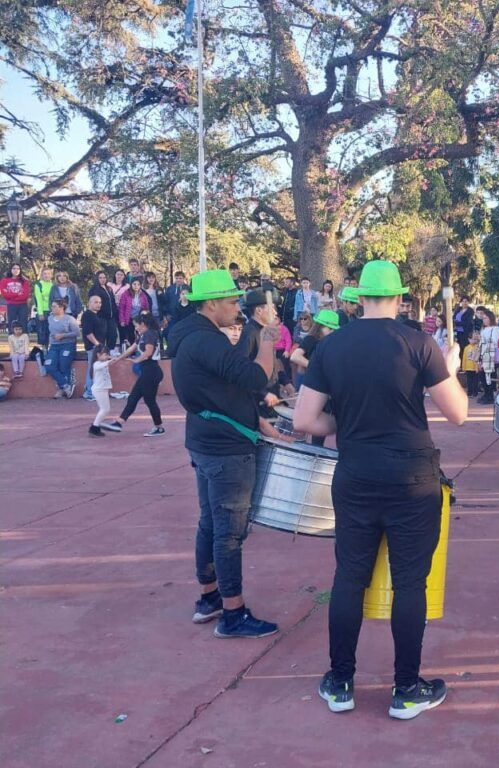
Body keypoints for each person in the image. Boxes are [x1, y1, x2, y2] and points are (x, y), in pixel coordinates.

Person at [291, 259, 467, 720]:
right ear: (400, 298)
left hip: (356, 477)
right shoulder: (419, 343)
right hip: (413, 478)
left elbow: (305, 420)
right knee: (410, 582)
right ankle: (406, 689)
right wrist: (450, 368)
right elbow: (458, 413)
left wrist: (347, 422)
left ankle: (340, 683)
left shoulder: (332, 346)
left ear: (359, 298)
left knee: (350, 577)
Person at [168, 269, 281, 638]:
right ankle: (233, 614)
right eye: (232, 302)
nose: (237, 308)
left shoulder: (190, 335)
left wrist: (255, 418)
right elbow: (255, 377)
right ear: (212, 303)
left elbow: (224, 384)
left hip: (205, 441)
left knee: (210, 524)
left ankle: (210, 598)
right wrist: (268, 340)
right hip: (225, 449)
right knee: (229, 533)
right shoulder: (206, 341)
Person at [107, 314, 165, 436]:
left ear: (143, 324)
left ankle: (120, 422)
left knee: (140, 399)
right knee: (144, 400)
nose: (136, 328)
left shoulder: (150, 334)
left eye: (136, 325)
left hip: (151, 371)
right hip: (149, 372)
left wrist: (136, 360)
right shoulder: (142, 335)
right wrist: (118, 358)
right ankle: (120, 422)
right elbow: (132, 348)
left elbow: (148, 352)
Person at [88, 344, 136, 437]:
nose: (107, 356)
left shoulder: (102, 363)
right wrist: (111, 360)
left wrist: (116, 359)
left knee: (105, 409)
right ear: (98, 355)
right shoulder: (96, 364)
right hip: (99, 390)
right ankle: (94, 427)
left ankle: (95, 426)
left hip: (102, 389)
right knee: (104, 409)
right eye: (105, 354)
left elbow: (108, 363)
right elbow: (104, 364)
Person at [45, 300, 80, 398]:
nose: (52, 308)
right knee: (49, 366)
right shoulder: (50, 318)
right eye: (52, 306)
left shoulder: (69, 319)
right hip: (54, 345)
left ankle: (62, 390)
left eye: (54, 306)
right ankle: (65, 386)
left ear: (61, 308)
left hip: (67, 345)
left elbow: (77, 333)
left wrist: (63, 335)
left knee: (64, 365)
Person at [81, 295, 109, 401]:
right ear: (89, 303)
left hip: (99, 347)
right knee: (92, 369)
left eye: (100, 302)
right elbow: (88, 333)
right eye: (96, 302)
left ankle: (92, 391)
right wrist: (97, 345)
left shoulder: (98, 315)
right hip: (93, 347)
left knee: (98, 370)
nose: (98, 304)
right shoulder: (87, 315)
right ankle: (89, 392)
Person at [88, 271, 119, 348]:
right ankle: (100, 352)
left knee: (113, 335)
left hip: (111, 317)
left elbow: (112, 301)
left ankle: (110, 351)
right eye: (100, 278)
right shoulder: (94, 289)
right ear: (97, 278)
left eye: (104, 277)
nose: (103, 279)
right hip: (101, 317)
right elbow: (92, 303)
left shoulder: (109, 288)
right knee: (101, 335)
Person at [477, 308, 499, 404]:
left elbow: (494, 341)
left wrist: (483, 339)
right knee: (482, 374)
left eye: (486, 318)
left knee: (489, 375)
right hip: (483, 352)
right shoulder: (483, 329)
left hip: (490, 353)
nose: (484, 320)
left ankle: (490, 395)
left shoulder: (495, 328)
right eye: (483, 318)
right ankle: (486, 393)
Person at [117, 277, 151, 345]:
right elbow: (121, 308)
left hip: (140, 319)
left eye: (138, 284)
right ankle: (131, 350)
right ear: (131, 285)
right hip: (129, 319)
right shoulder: (125, 294)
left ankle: (139, 349)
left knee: (140, 336)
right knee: (130, 337)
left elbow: (146, 308)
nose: (136, 286)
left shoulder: (143, 295)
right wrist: (122, 320)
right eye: (134, 284)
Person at [1, 264, 32, 333]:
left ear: (20, 270)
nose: (16, 270)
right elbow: (5, 295)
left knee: (23, 323)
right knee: (11, 323)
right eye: (14, 268)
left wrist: (11, 296)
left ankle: (24, 338)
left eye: (18, 269)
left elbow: (25, 295)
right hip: (11, 305)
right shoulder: (4, 281)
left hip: (23, 305)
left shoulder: (25, 281)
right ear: (10, 270)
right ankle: (12, 338)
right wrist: (18, 294)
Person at [32, 267, 54, 345]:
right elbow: (39, 300)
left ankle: (51, 348)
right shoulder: (38, 285)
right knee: (42, 332)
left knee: (51, 331)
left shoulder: (54, 285)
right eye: (45, 274)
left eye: (48, 274)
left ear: (51, 275)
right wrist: (40, 313)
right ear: (42, 275)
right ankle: (43, 348)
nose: (46, 275)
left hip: (53, 311)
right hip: (43, 311)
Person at [461, 331, 480, 396]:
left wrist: (478, 367)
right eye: (472, 339)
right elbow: (464, 358)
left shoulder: (478, 347)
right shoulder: (466, 348)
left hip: (475, 368)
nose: (474, 341)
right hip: (468, 367)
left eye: (475, 339)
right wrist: (463, 367)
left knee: (475, 381)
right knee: (469, 381)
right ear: (469, 339)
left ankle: (475, 392)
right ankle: (469, 392)